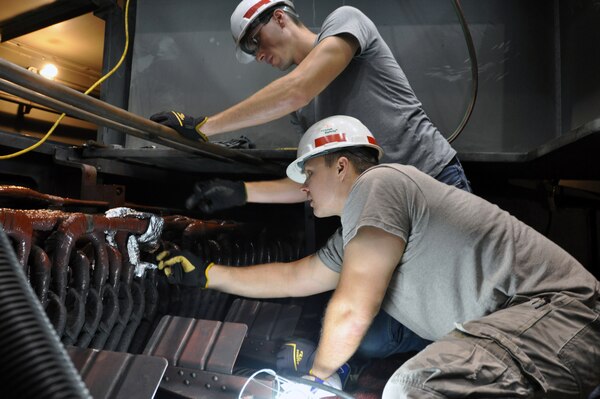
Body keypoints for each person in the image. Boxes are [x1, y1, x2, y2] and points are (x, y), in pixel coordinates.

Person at [156, 115, 600, 398]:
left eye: (308, 173)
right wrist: (209, 274)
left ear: (342, 166)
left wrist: (318, 376)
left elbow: (353, 307)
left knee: (416, 386)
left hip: (561, 318)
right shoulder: (360, 229)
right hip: (526, 333)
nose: (304, 188)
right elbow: (298, 276)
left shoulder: (380, 184)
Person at [150, 0, 471, 215]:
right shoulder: (304, 111)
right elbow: (316, 183)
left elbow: (298, 88)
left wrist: (201, 126)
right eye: (251, 50)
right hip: (383, 206)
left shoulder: (346, 21)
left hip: (433, 180)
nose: (258, 54)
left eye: (256, 41)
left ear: (279, 17)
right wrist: (241, 192)